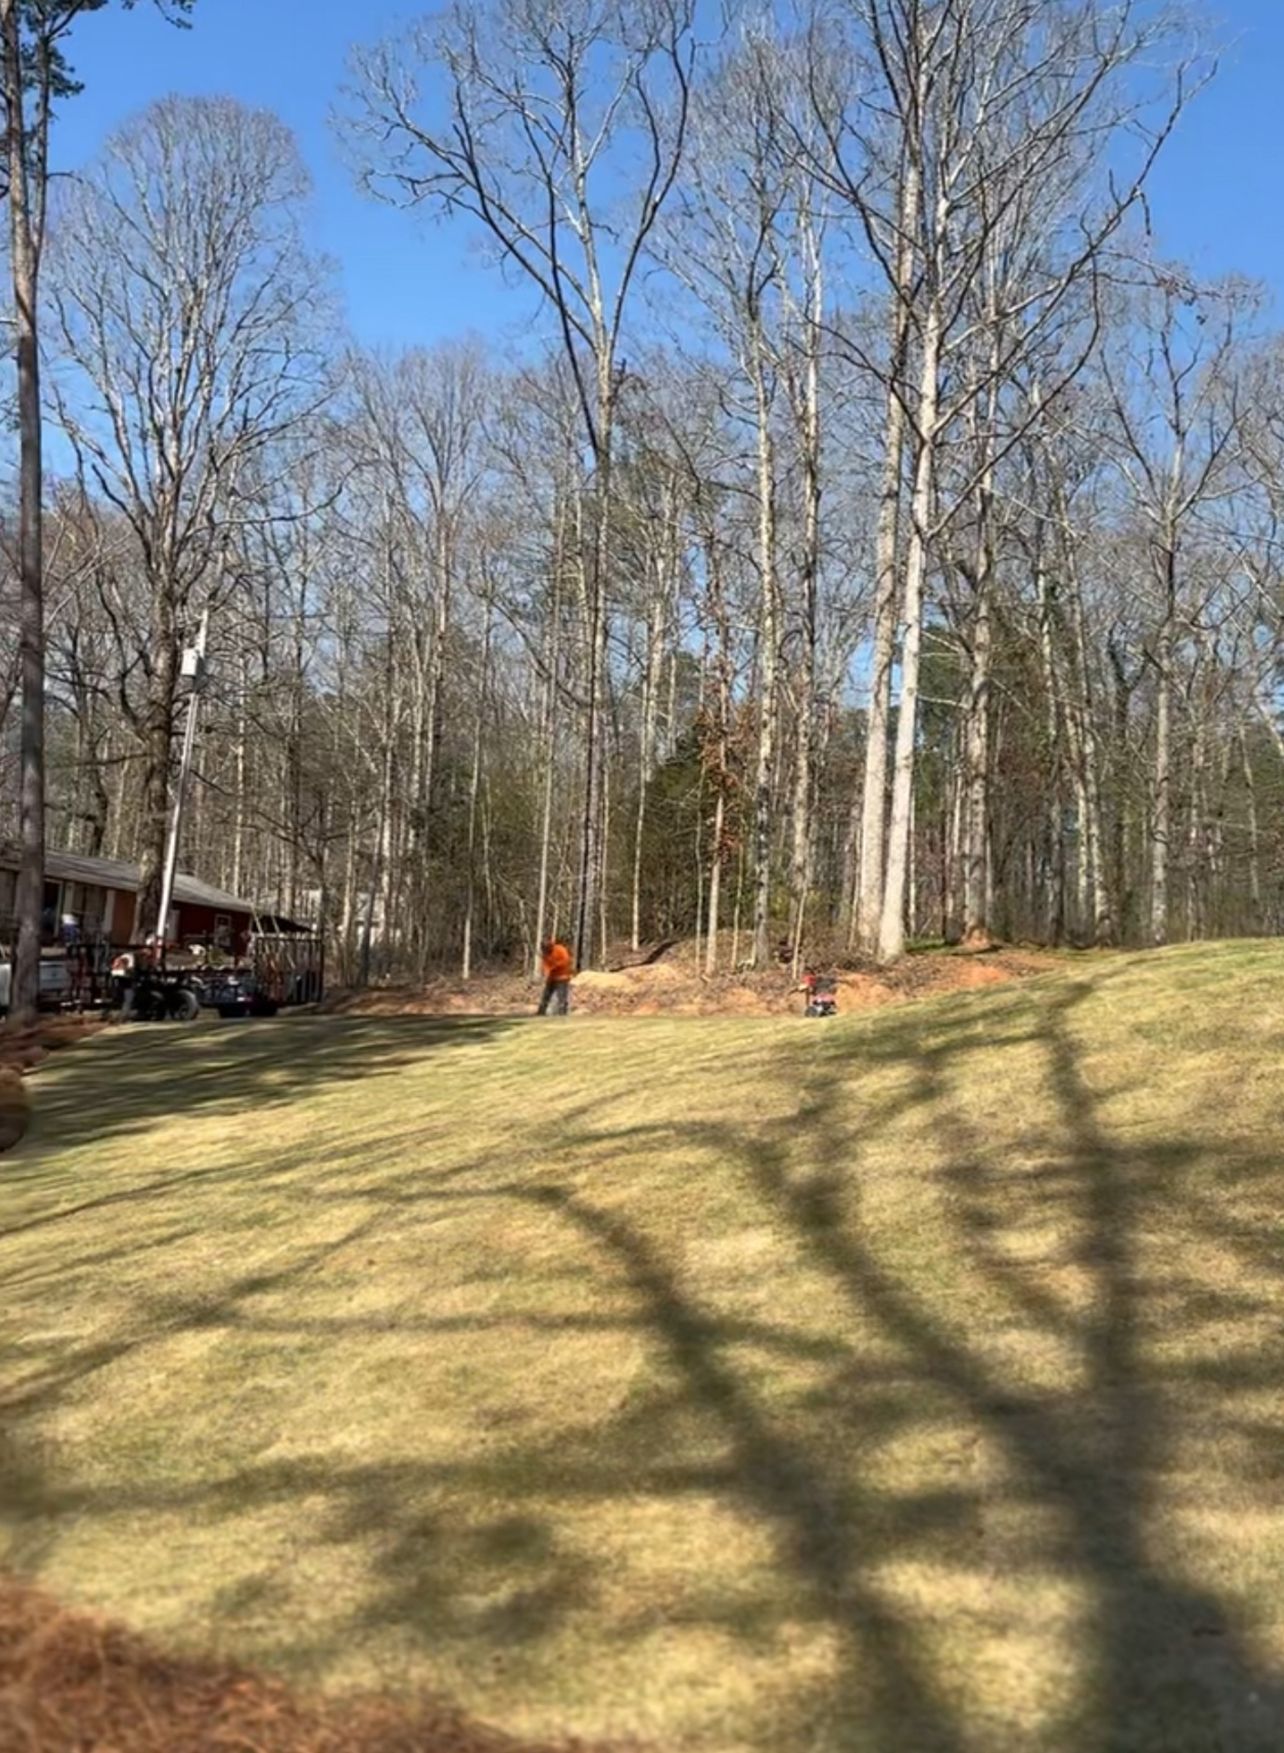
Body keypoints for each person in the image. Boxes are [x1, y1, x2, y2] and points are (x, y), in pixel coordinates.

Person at [537, 938, 574, 1015]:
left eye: (547, 949)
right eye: (545, 950)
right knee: (546, 995)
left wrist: (554, 966)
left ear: (551, 946)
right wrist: (545, 972)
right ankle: (541, 1012)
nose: (546, 951)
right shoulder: (545, 954)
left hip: (562, 976)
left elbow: (566, 960)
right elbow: (545, 964)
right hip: (552, 977)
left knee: (562, 997)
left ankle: (562, 1013)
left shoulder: (560, 949)